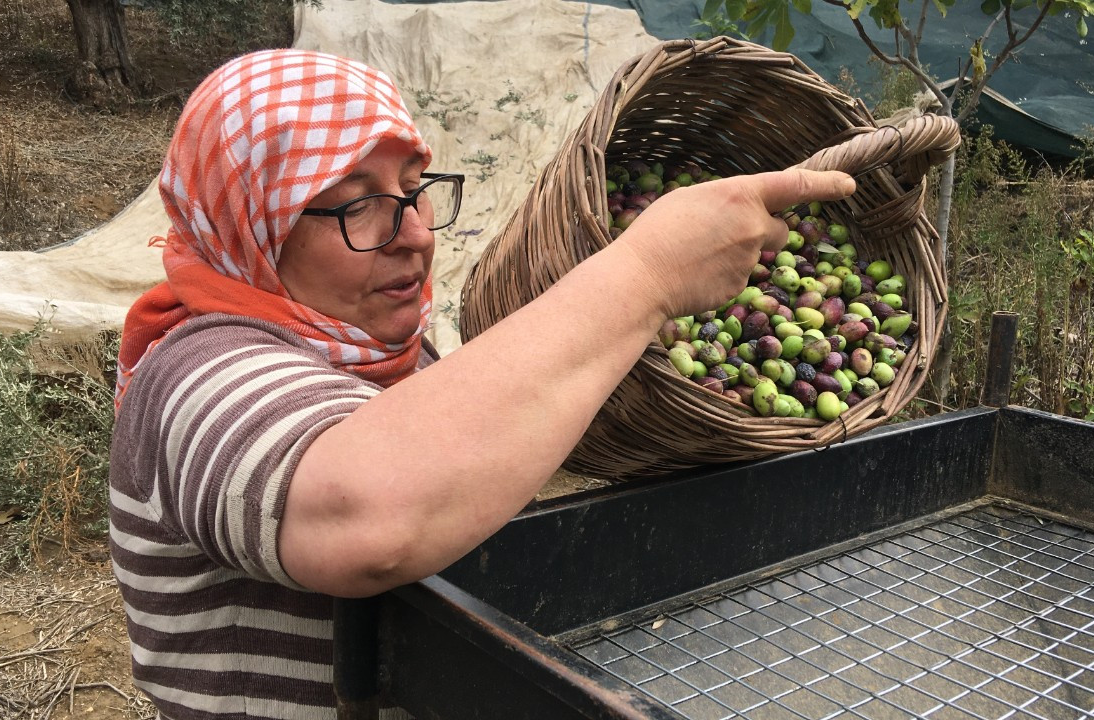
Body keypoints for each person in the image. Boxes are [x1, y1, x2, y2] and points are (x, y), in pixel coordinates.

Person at [108, 48, 855, 720]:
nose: (416, 233)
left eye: (412, 188)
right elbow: (370, 519)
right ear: (252, 220)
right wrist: (648, 273)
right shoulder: (193, 370)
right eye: (357, 201)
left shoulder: (397, 360)